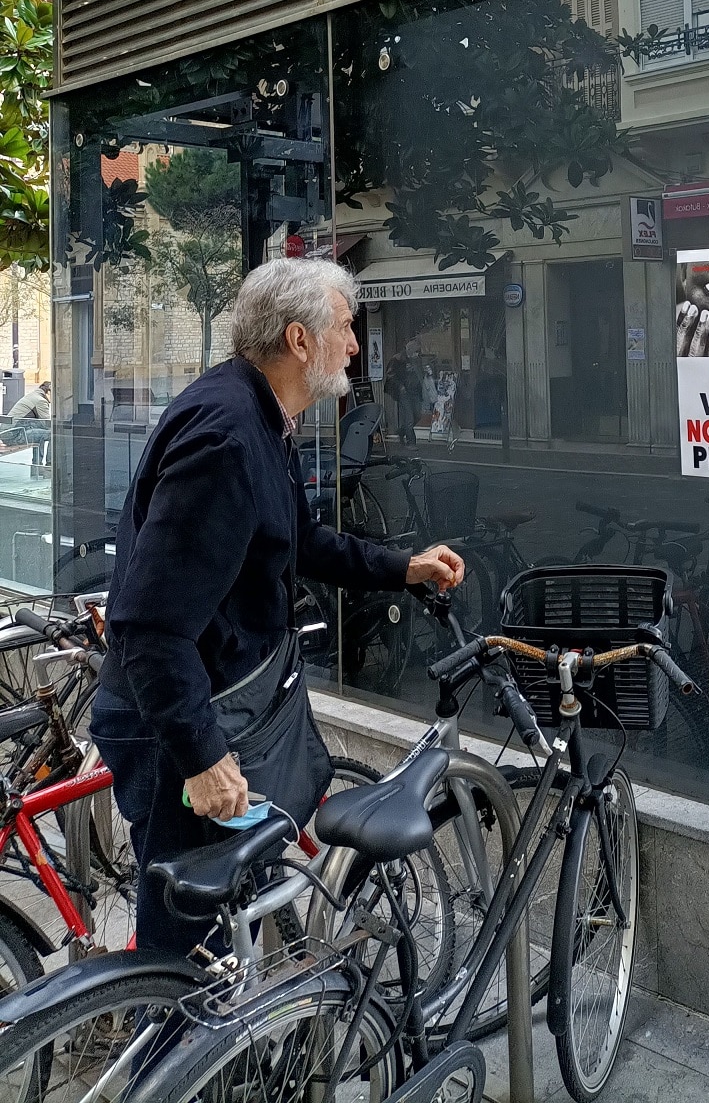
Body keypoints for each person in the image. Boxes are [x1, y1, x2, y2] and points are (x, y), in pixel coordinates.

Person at [91, 258, 465, 955]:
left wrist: (400, 567)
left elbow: (300, 539)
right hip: (176, 725)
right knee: (189, 957)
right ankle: (169, 1063)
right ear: (300, 340)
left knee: (224, 934)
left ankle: (217, 1056)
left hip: (215, 703)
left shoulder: (263, 414)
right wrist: (202, 758)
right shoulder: (227, 437)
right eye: (345, 327)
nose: (355, 344)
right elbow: (147, 624)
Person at [7, 379, 50, 468]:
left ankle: (37, 467)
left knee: (40, 434)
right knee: (54, 435)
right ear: (49, 392)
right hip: (15, 435)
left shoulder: (33, 395)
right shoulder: (40, 400)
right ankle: (49, 467)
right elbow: (47, 423)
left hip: (9, 433)